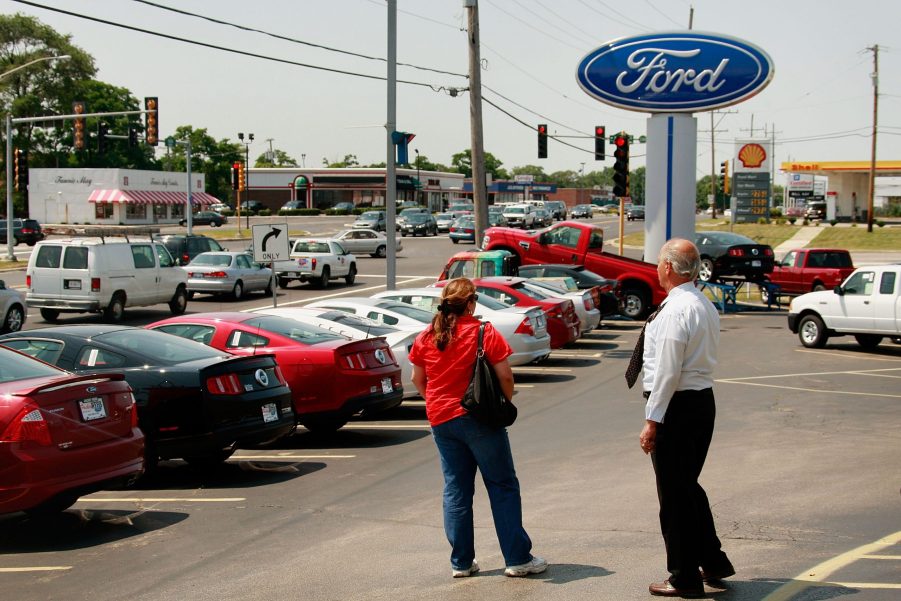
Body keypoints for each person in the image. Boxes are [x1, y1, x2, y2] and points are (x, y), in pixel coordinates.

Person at [409, 277, 547, 579]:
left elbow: (418, 380)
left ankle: (461, 563)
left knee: (456, 489)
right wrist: (501, 406)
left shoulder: (426, 337)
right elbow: (505, 377)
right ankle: (517, 559)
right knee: (502, 486)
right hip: (480, 419)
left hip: (442, 421)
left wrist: (438, 402)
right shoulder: (483, 332)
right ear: (470, 303)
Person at [628, 238, 734, 598]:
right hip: (699, 402)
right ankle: (713, 561)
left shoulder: (676, 310)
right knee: (687, 487)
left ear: (670, 268)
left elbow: (668, 373)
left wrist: (652, 422)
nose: (657, 268)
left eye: (659, 262)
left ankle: (683, 576)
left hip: (678, 405)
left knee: (674, 497)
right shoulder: (701, 303)